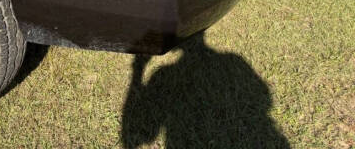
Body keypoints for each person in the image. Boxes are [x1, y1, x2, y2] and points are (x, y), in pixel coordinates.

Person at [120, 31, 290, 148]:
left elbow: (141, 135)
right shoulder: (233, 60)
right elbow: (264, 97)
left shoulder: (163, 73)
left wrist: (138, 69)